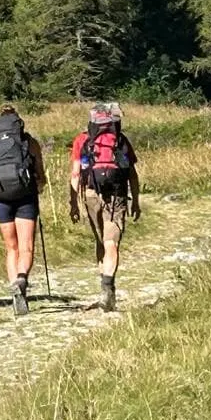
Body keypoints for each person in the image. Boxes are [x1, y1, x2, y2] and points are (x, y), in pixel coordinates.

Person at [68, 101, 140, 311]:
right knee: (112, 243)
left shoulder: (82, 140)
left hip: (91, 192)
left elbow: (75, 173)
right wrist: (135, 200)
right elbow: (132, 175)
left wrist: (73, 203)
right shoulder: (120, 140)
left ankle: (104, 287)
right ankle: (108, 286)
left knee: (100, 241)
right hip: (116, 194)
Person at [0, 105, 47, 316]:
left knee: (11, 248)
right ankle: (21, 280)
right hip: (25, 197)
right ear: (18, 122)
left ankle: (14, 289)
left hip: (1, 199)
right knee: (26, 247)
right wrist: (40, 185)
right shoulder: (29, 142)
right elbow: (40, 174)